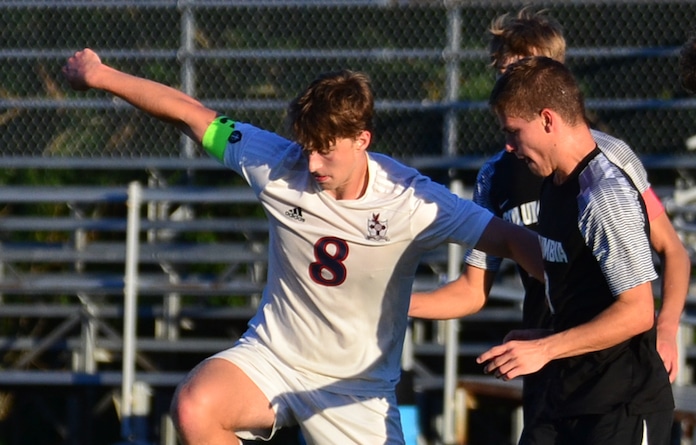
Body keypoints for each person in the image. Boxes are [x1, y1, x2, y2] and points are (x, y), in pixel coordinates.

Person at [62, 48, 544, 445]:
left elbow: (513, 240)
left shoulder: (412, 200)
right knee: (194, 406)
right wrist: (102, 75)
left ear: (362, 139)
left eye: (326, 150)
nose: (311, 163)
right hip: (273, 357)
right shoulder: (275, 161)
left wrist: (570, 314)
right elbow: (190, 114)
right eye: (306, 146)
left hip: (356, 385)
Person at [409, 7, 689, 436]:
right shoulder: (523, 177)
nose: (515, 84)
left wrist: (666, 328)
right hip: (555, 375)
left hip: (614, 390)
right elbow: (478, 286)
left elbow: (639, 304)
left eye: (528, 71)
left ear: (549, 102)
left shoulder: (604, 180)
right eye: (508, 73)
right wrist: (390, 301)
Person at [478, 55, 675, 445]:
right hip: (570, 394)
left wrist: (546, 348)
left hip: (620, 406)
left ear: (548, 119)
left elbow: (637, 312)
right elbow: (586, 297)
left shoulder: (602, 196)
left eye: (516, 131)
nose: (510, 145)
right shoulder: (555, 183)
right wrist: (540, 336)